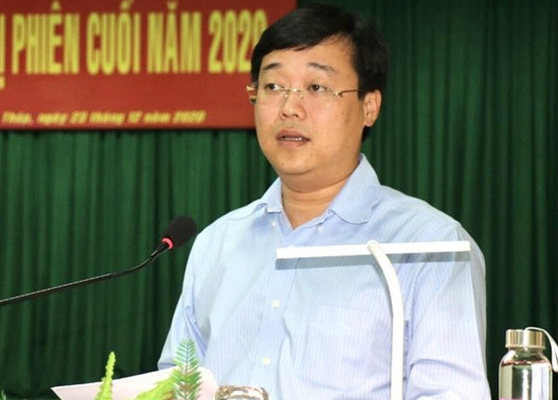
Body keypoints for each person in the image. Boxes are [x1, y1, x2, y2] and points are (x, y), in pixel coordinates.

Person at [159, 3, 491, 399]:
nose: (289, 107)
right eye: (273, 86)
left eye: (316, 87)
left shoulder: (431, 247)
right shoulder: (218, 243)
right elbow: (176, 386)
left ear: (369, 106)